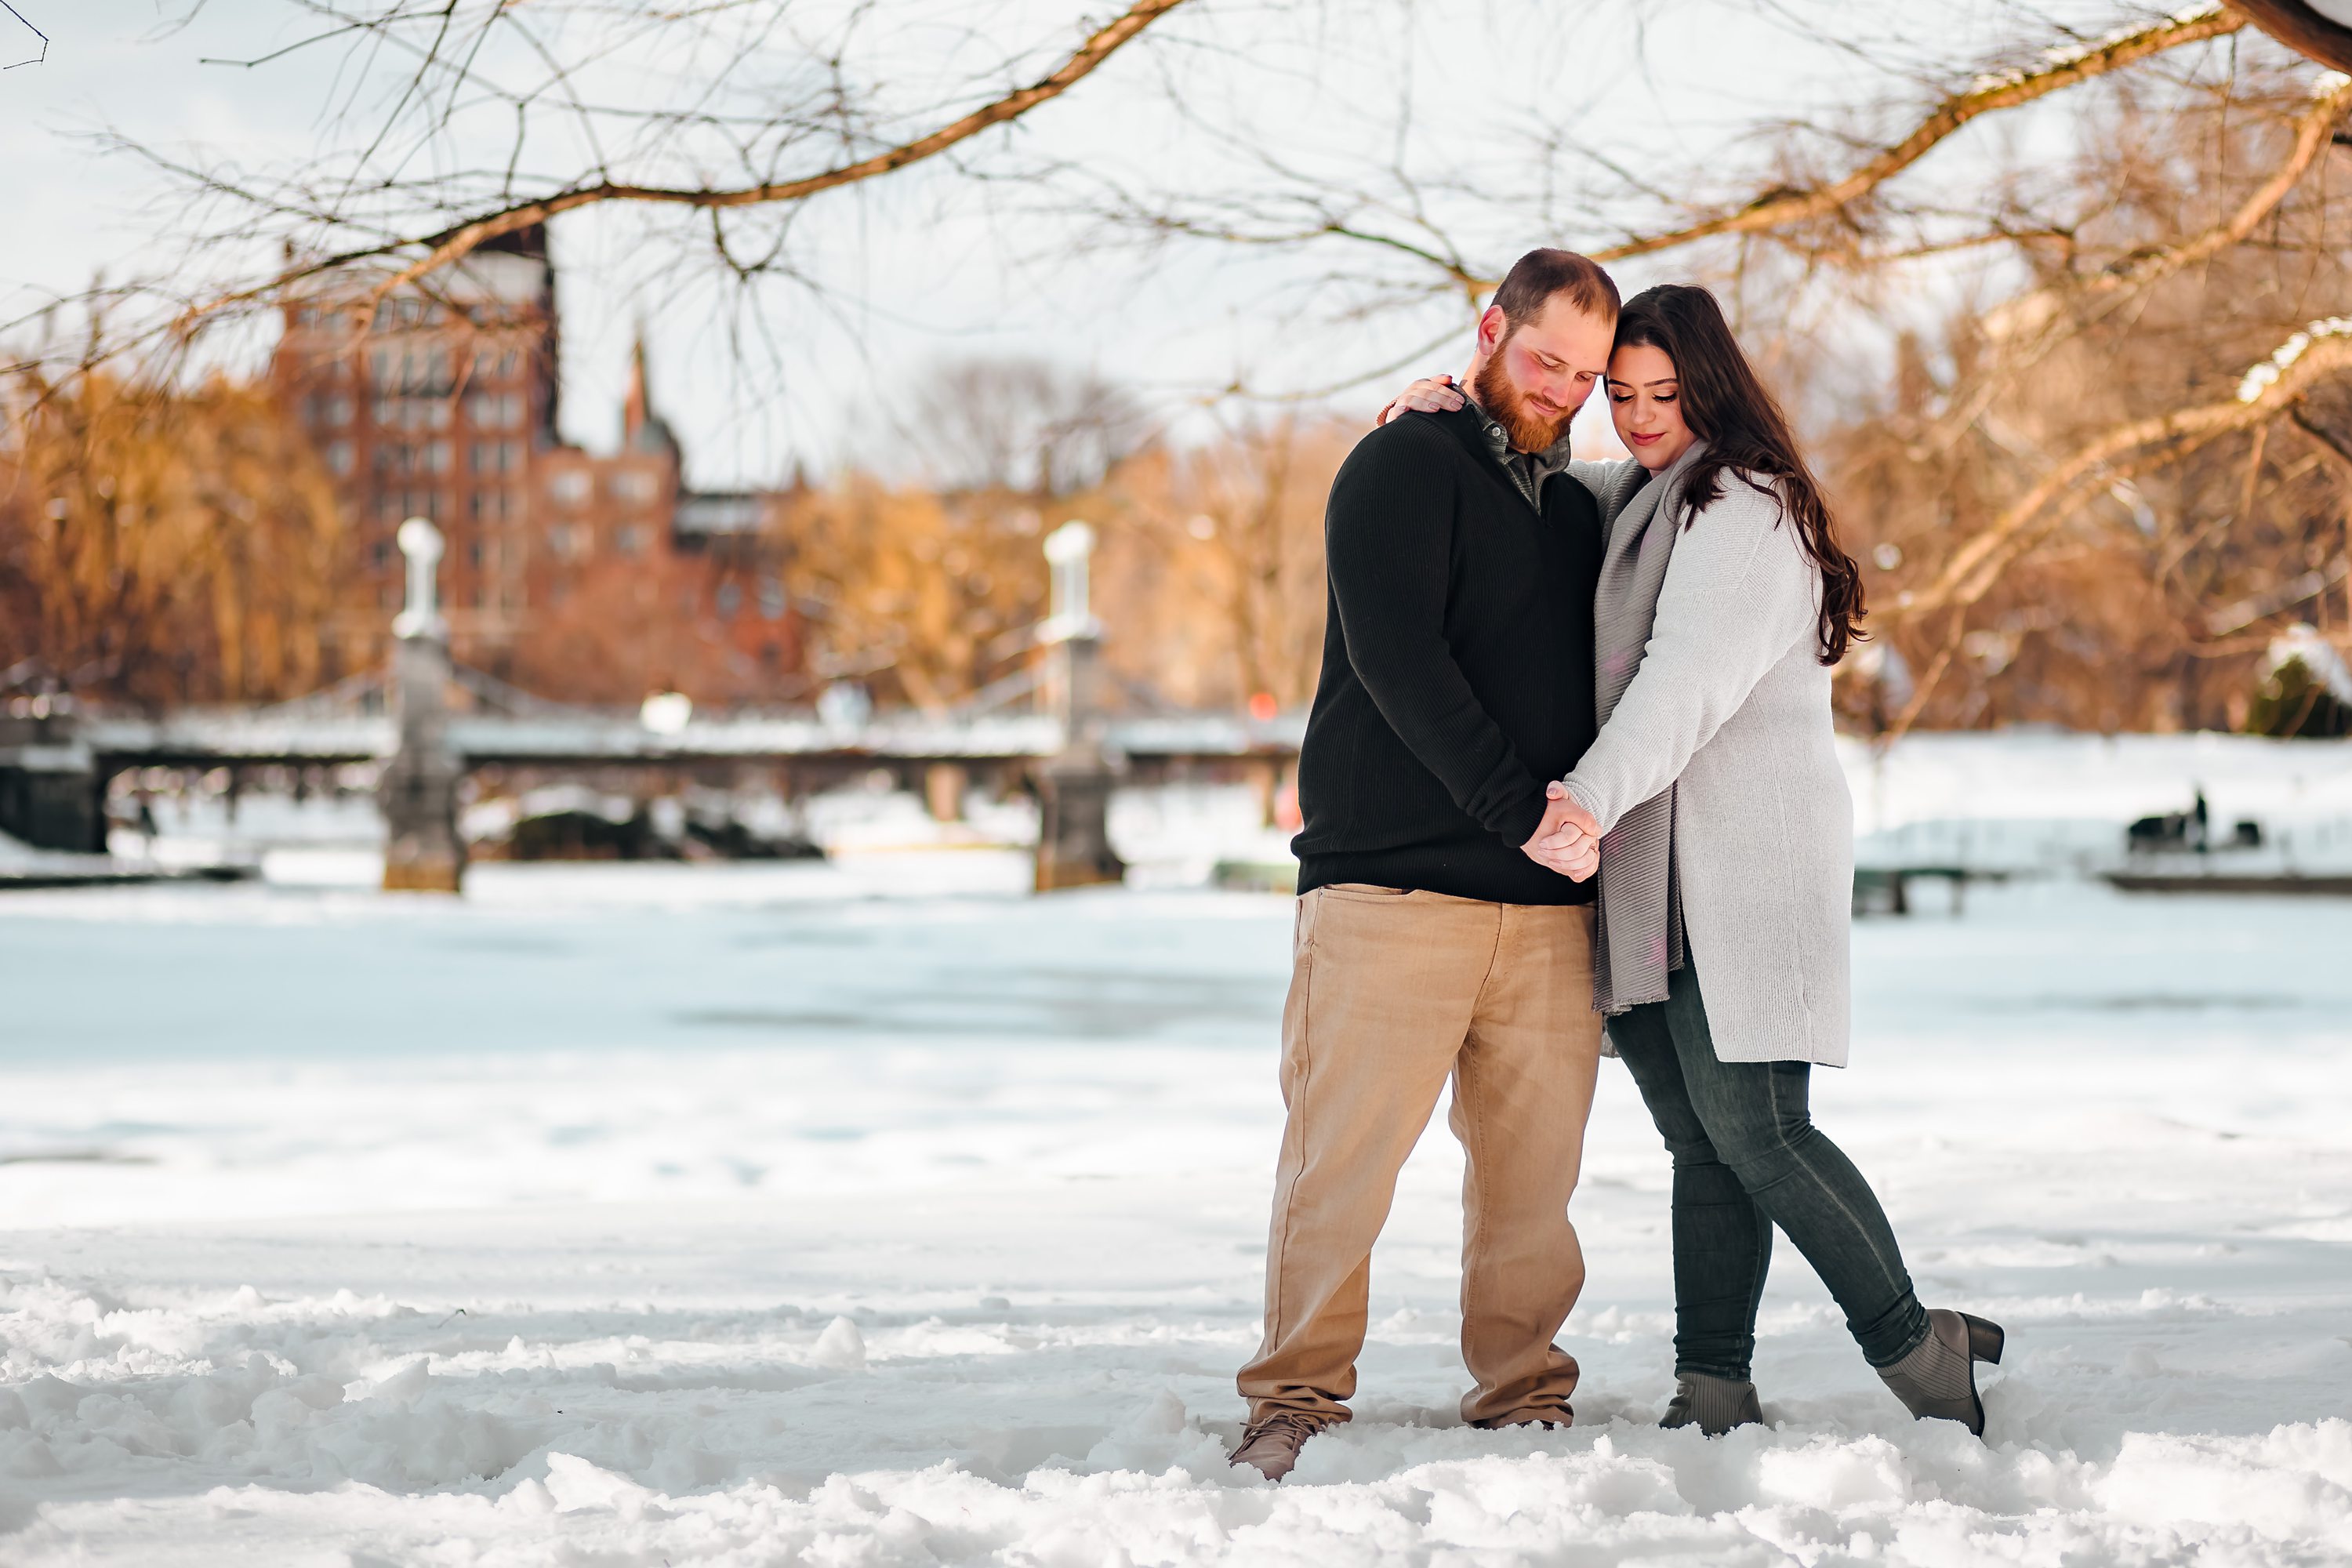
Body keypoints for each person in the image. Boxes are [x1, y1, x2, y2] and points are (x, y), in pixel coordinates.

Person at [1381, 283, 2005, 1441]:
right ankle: (1714, 1383)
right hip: (1654, 883)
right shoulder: (1641, 501)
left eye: (1666, 394)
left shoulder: (1748, 507)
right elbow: (1533, 482)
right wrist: (1449, 412)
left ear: (1714, 386)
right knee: (1701, 1143)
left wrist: (1583, 806)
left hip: (1742, 873)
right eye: (1619, 396)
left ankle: (1922, 1346)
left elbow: (1687, 683)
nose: (1639, 417)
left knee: (1762, 1133)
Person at [1228, 249, 1615, 1483]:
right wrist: (1520, 812)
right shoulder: (1402, 461)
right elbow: (1401, 666)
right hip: (1390, 889)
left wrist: (1556, 849)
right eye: (1544, 358)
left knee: (1532, 1186)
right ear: (1490, 329)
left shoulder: (1578, 509)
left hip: (1543, 907)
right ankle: (1292, 1394)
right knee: (1340, 1164)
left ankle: (1523, 1393)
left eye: (1587, 376)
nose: (1559, 388)